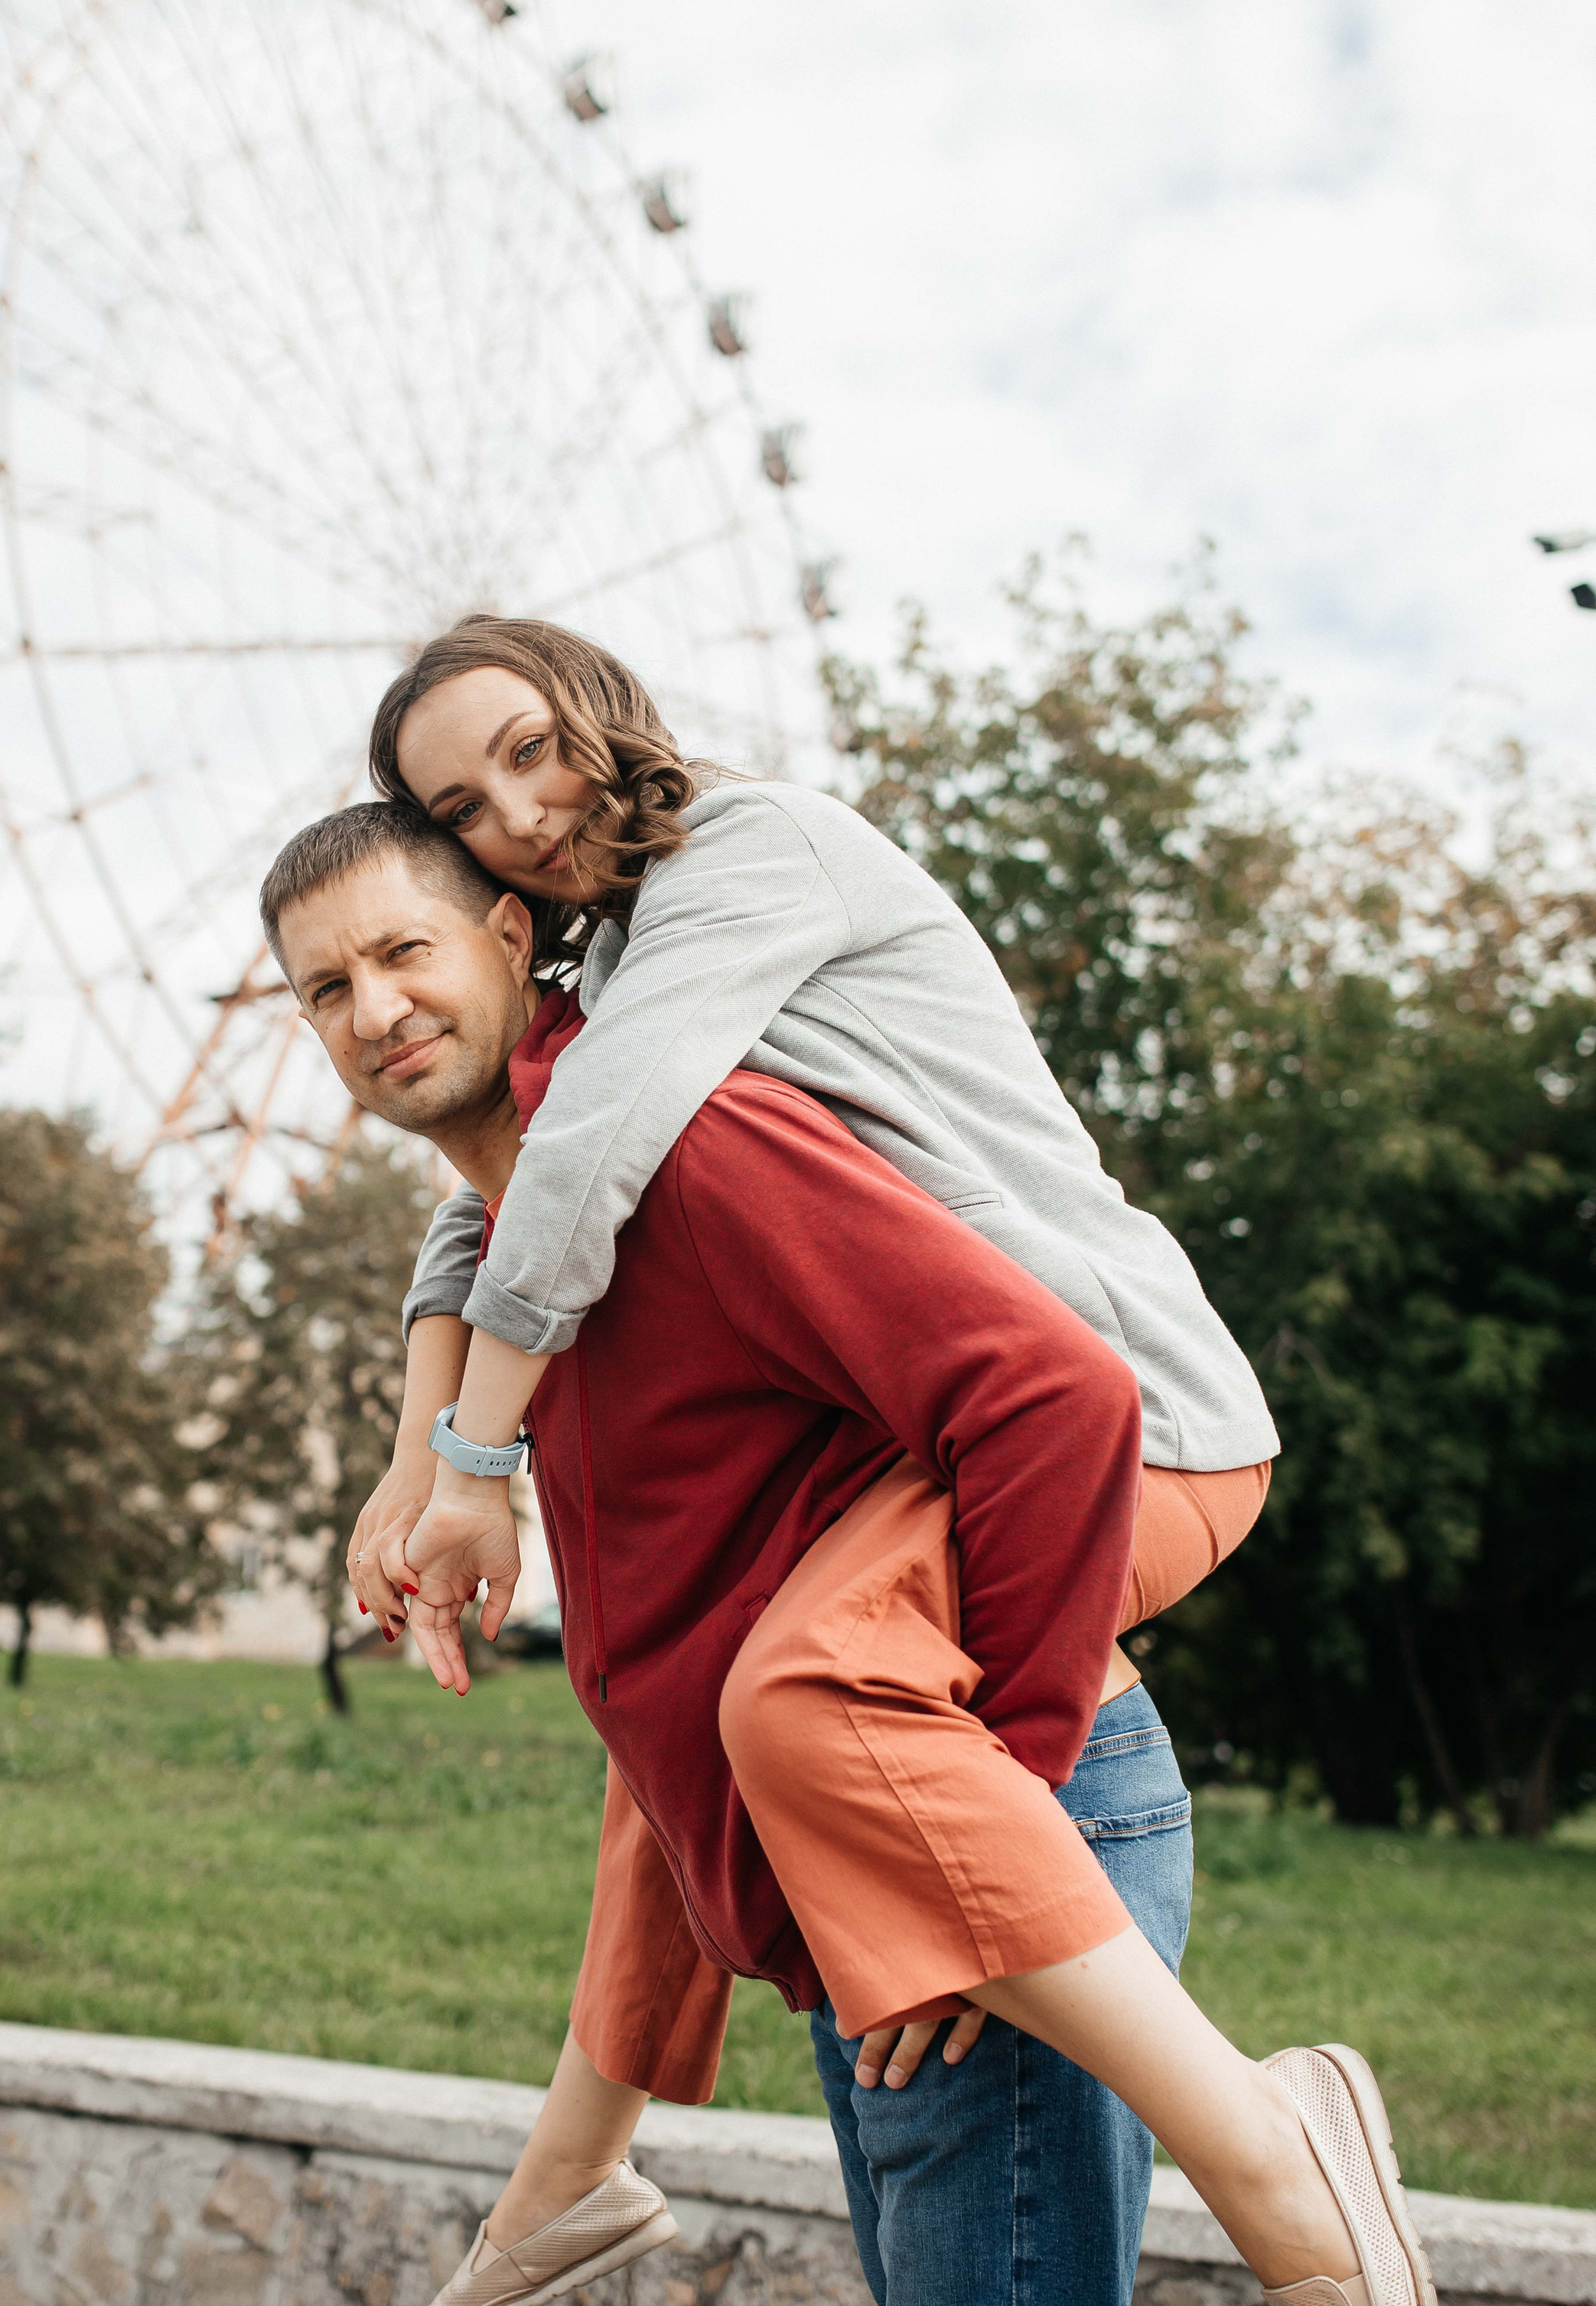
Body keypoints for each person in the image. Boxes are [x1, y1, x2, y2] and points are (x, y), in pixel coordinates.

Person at [260, 801, 1442, 2306]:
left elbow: (1054, 1399)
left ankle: (1283, 2150)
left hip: (984, 1804)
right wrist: (578, 2145)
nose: (372, 1008)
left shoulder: (686, 1146)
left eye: (407, 951)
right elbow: (678, 1703)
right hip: (865, 1840)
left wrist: (997, 1802)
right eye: (322, 988)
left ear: (515, 933)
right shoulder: (527, 1248)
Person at [347, 614, 1277, 1715]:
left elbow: (582, 1153)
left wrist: (475, 1465)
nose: (518, 815)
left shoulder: (747, 849)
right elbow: (496, 1199)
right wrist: (421, 1453)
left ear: (597, 704)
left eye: (528, 749)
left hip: (1119, 1410)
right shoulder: (618, 957)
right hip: (948, 1437)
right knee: (722, 1727)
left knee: (818, 1701)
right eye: (463, 811)